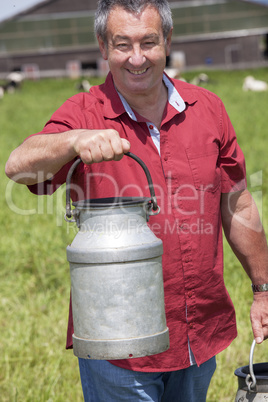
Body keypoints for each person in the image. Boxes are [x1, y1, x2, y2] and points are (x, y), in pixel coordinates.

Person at [5, 0, 268, 401]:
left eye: (148, 42)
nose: (137, 58)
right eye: (122, 44)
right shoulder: (84, 111)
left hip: (199, 331)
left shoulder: (207, 108)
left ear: (167, 41)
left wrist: (263, 288)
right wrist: (73, 140)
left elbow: (238, 203)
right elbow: (18, 165)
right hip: (118, 344)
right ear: (102, 47)